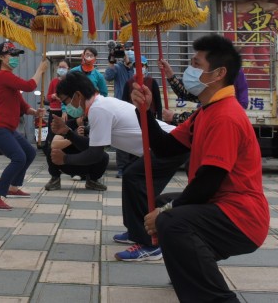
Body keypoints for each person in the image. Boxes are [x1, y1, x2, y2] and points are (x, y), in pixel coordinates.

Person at [132, 35, 270, 302]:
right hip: (220, 206)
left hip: (242, 216)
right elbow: (164, 146)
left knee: (171, 220)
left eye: (196, 64)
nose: (189, 71)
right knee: (163, 205)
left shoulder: (226, 116)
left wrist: (167, 212)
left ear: (218, 73)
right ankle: (191, 272)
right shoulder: (205, 112)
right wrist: (145, 111)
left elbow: (210, 178)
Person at [50, 71, 184, 239]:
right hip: (164, 146)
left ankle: (147, 242)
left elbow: (95, 155)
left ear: (77, 95)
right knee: (131, 179)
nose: (66, 107)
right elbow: (94, 146)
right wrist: (68, 132)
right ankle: (136, 231)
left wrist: (65, 159)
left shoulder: (98, 109)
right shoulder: (99, 105)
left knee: (135, 180)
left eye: (65, 101)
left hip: (169, 145)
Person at [0, 42, 47, 211]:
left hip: (8, 128)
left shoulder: (9, 79)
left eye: (16, 55)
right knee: (18, 157)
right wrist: (40, 71)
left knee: (29, 152)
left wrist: (35, 112)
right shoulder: (2, 75)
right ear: (1, 58)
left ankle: (13, 187)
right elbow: (29, 86)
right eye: (11, 55)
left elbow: (22, 105)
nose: (15, 58)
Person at [158, 58, 249, 125]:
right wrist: (169, 74)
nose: (193, 70)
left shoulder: (225, 109)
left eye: (197, 65)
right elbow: (186, 94)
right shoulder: (209, 88)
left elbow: (206, 117)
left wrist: (175, 117)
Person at [105, 43, 135, 178]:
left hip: (135, 107)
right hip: (121, 107)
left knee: (135, 137)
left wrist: (128, 62)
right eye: (126, 50)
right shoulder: (118, 67)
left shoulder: (139, 67)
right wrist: (112, 59)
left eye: (130, 50)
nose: (128, 52)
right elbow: (108, 76)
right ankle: (122, 168)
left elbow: (135, 77)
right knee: (121, 138)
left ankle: (134, 167)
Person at [43, 60, 70, 191]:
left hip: (67, 113)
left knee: (66, 139)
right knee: (51, 140)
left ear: (69, 69)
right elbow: (47, 97)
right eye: (59, 67)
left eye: (64, 67)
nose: (61, 69)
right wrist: (53, 96)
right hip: (54, 111)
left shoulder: (70, 82)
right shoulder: (54, 81)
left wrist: (65, 107)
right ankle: (54, 174)